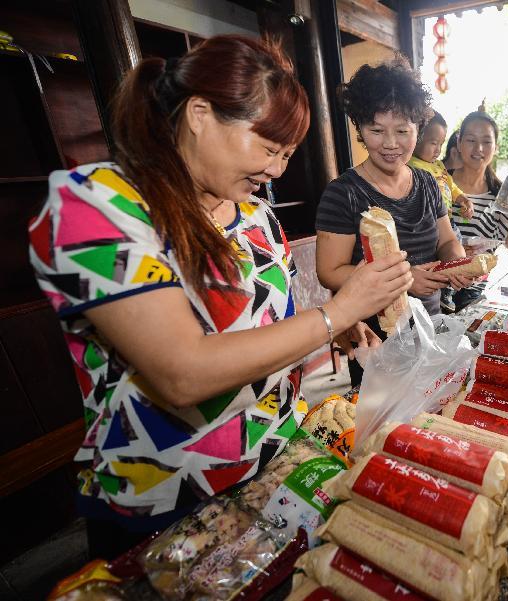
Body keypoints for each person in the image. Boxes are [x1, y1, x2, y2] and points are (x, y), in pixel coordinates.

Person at [27, 36, 412, 558]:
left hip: (274, 458)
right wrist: (336, 311)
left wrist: (332, 326)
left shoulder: (255, 215)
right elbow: (182, 372)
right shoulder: (97, 204)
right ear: (200, 114)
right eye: (269, 149)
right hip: (167, 489)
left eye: (287, 154)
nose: (277, 171)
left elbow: (264, 316)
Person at [315, 58, 473, 386]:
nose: (390, 144)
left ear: (418, 127)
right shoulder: (343, 193)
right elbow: (329, 271)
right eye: (376, 130)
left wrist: (455, 260)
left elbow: (445, 239)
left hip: (430, 327)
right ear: (359, 128)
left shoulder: (428, 183)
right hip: (377, 342)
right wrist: (403, 280)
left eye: (402, 131)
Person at [449, 111, 508, 310]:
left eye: (487, 142)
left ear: (496, 147)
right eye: (471, 140)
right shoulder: (441, 182)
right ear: (459, 142)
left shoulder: (500, 194)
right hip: (436, 288)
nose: (478, 148)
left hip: (474, 295)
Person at [408, 111, 475, 312]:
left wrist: (462, 198)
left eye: (441, 143)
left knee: (456, 250)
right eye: (432, 143)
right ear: (416, 138)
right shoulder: (412, 166)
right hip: (427, 222)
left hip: (447, 219)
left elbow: (451, 186)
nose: (438, 150)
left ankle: (450, 289)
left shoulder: (437, 166)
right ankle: (446, 293)